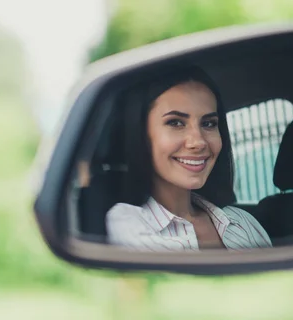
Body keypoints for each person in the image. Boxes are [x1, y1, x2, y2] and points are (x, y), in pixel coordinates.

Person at [106, 65, 272, 251]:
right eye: (175, 123)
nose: (199, 142)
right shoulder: (128, 223)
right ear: (141, 134)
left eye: (208, 124)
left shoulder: (241, 222)